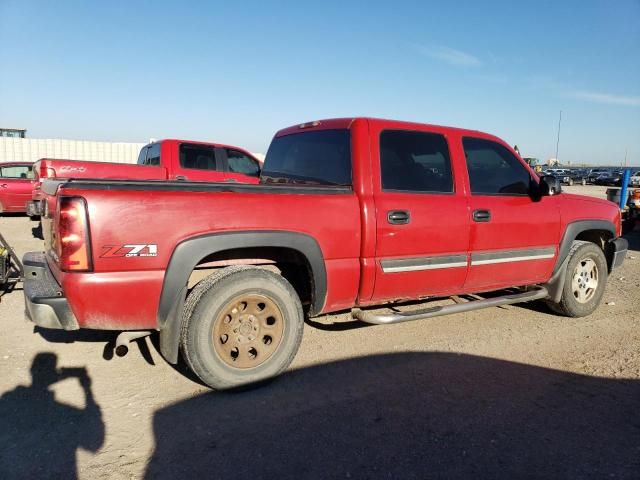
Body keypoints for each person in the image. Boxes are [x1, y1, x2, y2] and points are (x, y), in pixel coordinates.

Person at [0, 353, 104, 479]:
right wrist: (87, 389)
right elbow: (95, 442)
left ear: (32, 371)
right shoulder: (66, 412)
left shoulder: (9, 399)